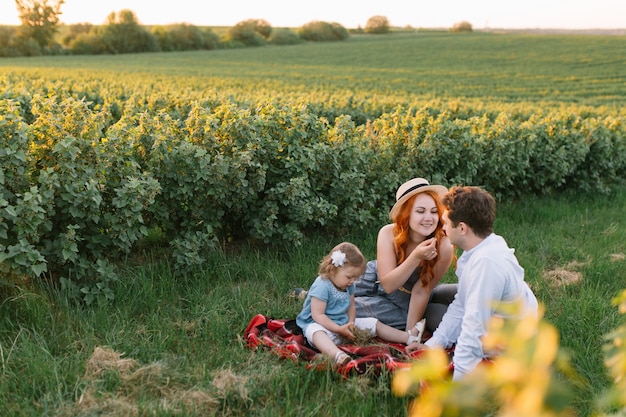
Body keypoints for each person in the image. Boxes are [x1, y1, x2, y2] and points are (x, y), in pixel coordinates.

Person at [410, 186, 539, 380]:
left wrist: (458, 382)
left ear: (462, 228)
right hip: (505, 314)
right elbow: (461, 303)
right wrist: (432, 345)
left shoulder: (486, 265)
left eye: (445, 223)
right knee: (437, 294)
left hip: (508, 341)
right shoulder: (482, 245)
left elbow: (474, 326)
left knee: (432, 311)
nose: (442, 228)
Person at [354, 177, 457, 337]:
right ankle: (303, 294)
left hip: (405, 299)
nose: (429, 218)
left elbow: (421, 290)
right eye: (420, 211)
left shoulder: (444, 245)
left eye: (434, 211)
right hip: (375, 276)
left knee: (338, 309)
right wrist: (415, 256)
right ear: (406, 214)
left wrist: (410, 336)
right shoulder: (388, 233)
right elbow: (387, 283)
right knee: (329, 290)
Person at [296, 242, 425, 365]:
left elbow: (351, 306)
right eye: (349, 277)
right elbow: (318, 315)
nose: (352, 281)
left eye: (355, 278)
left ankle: (408, 337)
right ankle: (337, 355)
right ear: (332, 270)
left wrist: (350, 323)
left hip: (343, 325)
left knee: (372, 322)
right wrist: (338, 329)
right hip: (322, 326)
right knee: (315, 332)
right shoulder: (322, 285)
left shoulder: (349, 286)